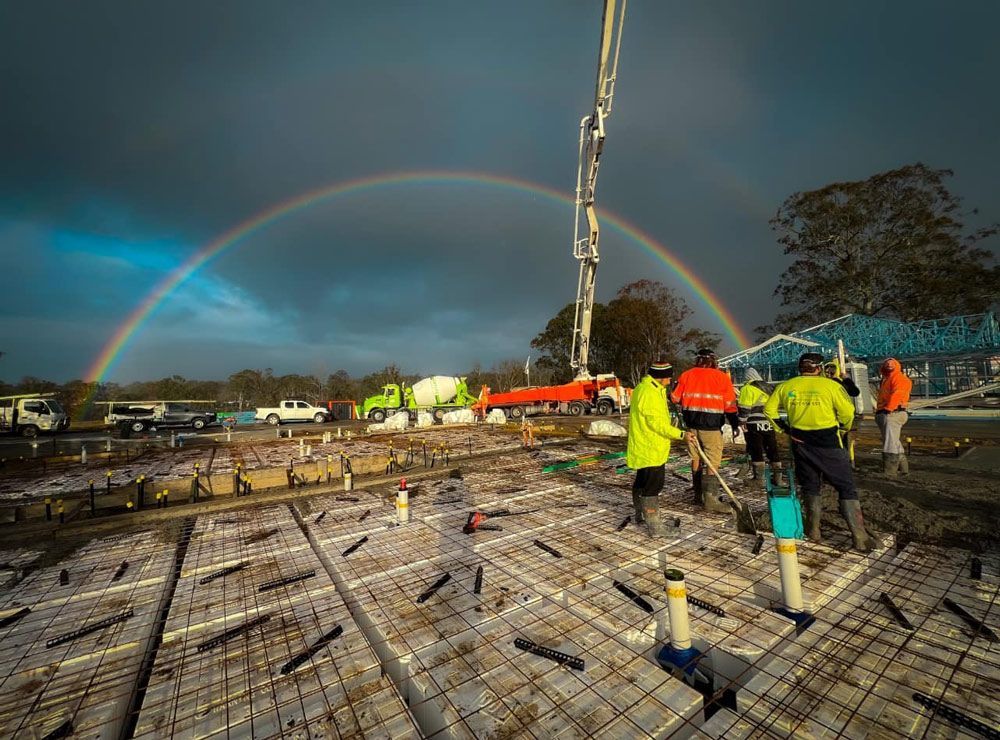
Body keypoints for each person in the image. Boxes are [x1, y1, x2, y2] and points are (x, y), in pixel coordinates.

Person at [764, 352, 875, 551]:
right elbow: (847, 412)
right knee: (846, 487)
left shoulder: (786, 386)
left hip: (800, 443)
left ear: (800, 368)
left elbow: (769, 411)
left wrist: (785, 429)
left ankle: (814, 531)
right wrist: (843, 428)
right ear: (820, 368)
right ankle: (859, 537)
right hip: (829, 442)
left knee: (810, 486)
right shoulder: (831, 386)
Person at [626, 359, 694, 537]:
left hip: (646, 445)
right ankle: (655, 526)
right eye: (669, 376)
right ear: (660, 376)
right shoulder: (649, 392)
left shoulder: (649, 389)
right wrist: (681, 434)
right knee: (653, 486)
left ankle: (641, 514)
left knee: (642, 481)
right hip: (651, 447)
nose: (670, 380)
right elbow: (656, 423)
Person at [671, 348, 739, 513]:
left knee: (695, 458)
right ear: (714, 361)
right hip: (712, 428)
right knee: (712, 461)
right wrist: (735, 424)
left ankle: (698, 494)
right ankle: (711, 499)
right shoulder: (722, 377)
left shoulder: (686, 375)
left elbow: (675, 398)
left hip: (692, 427)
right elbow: (730, 405)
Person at [737, 367, 785, 489]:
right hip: (769, 423)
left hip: (754, 424)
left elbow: (744, 408)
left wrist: (741, 422)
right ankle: (778, 479)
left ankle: (759, 479)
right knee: (772, 450)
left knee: (756, 450)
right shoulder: (770, 388)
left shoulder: (747, 388)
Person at [875, 358, 913, 477]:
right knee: (894, 441)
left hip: (892, 414)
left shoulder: (898, 378)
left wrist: (888, 409)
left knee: (890, 443)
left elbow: (897, 394)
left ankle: (890, 472)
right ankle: (903, 469)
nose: (888, 366)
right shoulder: (888, 379)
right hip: (892, 412)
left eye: (890, 365)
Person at [824, 359, 861, 468]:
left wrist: (846, 379)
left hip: (837, 418)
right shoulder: (839, 383)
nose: (829, 373)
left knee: (841, 443)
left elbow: (854, 392)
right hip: (835, 418)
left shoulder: (838, 383)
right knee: (840, 443)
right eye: (827, 371)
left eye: (831, 371)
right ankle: (845, 464)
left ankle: (843, 464)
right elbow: (855, 392)